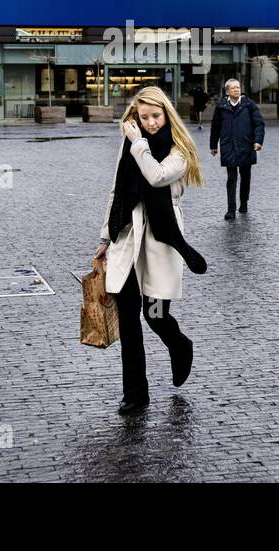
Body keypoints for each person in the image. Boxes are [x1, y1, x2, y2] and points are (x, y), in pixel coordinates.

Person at [94, 85, 206, 416]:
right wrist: (104, 238)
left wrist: (137, 143)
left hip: (161, 239)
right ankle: (135, 393)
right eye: (143, 118)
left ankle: (179, 344)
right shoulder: (131, 145)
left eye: (155, 116)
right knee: (128, 318)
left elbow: (156, 177)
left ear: (166, 114)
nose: (150, 123)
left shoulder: (179, 150)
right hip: (127, 238)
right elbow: (116, 190)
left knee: (155, 315)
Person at [209, 78, 264, 220]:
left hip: (246, 145)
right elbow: (215, 127)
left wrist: (258, 141)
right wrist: (213, 145)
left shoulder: (249, 105)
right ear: (227, 91)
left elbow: (259, 124)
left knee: (245, 176)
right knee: (231, 178)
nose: (236, 90)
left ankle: (244, 202)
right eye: (233, 88)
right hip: (229, 145)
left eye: (238, 87)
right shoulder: (221, 106)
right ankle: (231, 210)